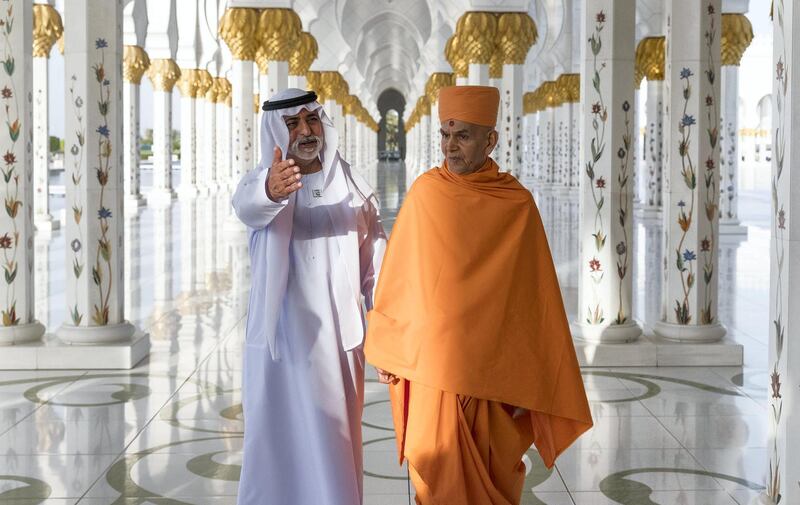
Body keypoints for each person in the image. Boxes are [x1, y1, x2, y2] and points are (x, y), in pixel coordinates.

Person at [365, 85, 592, 505]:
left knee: (492, 468)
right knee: (432, 464)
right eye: (445, 135)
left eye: (463, 136)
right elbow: (399, 279)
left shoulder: (516, 204)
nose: (450, 146)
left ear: (491, 140)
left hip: (492, 371)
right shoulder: (425, 194)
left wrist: (532, 374)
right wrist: (386, 346)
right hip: (434, 365)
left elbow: (534, 298)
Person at [232, 88, 386, 505]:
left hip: (339, 346)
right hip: (280, 345)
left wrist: (389, 335)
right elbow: (247, 205)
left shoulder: (352, 183)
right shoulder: (262, 180)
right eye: (292, 123)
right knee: (276, 446)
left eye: (311, 120)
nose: (305, 130)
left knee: (334, 445)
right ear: (276, 132)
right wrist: (272, 188)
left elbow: (377, 266)